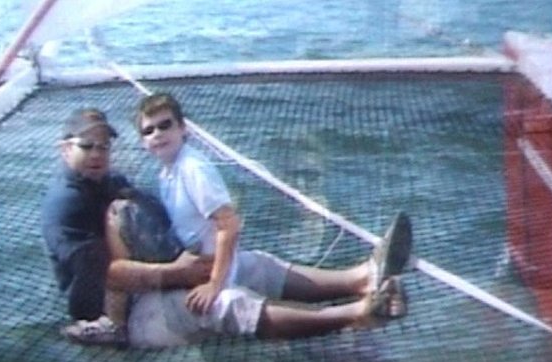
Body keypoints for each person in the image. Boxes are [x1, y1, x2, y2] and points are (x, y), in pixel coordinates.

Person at [67, 94, 413, 348]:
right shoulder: (166, 172)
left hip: (203, 273)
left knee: (230, 296)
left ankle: (358, 305)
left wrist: (214, 283)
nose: (157, 134)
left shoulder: (192, 168)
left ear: (183, 128)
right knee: (255, 269)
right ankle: (360, 284)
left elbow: (229, 224)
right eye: (148, 130)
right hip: (191, 272)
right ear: (143, 142)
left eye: (165, 125)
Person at [40, 108, 212, 329]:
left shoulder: (110, 181)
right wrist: (180, 272)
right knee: (121, 211)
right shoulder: (65, 204)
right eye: (87, 146)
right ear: (65, 149)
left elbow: (157, 214)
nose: (96, 154)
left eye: (103, 146)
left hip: (145, 279)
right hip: (100, 309)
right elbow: (102, 275)